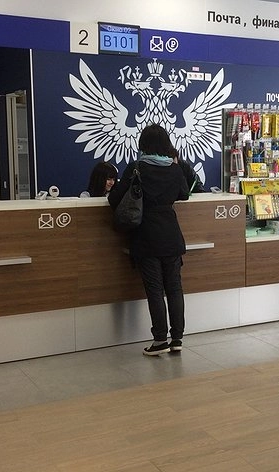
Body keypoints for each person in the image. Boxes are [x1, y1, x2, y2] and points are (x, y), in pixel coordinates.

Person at [108, 124, 190, 356]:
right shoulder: (174, 168)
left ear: (143, 144)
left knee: (155, 289)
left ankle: (160, 340)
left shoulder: (137, 168)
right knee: (174, 287)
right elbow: (184, 194)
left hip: (146, 235)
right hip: (171, 234)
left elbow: (114, 199)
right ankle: (177, 338)